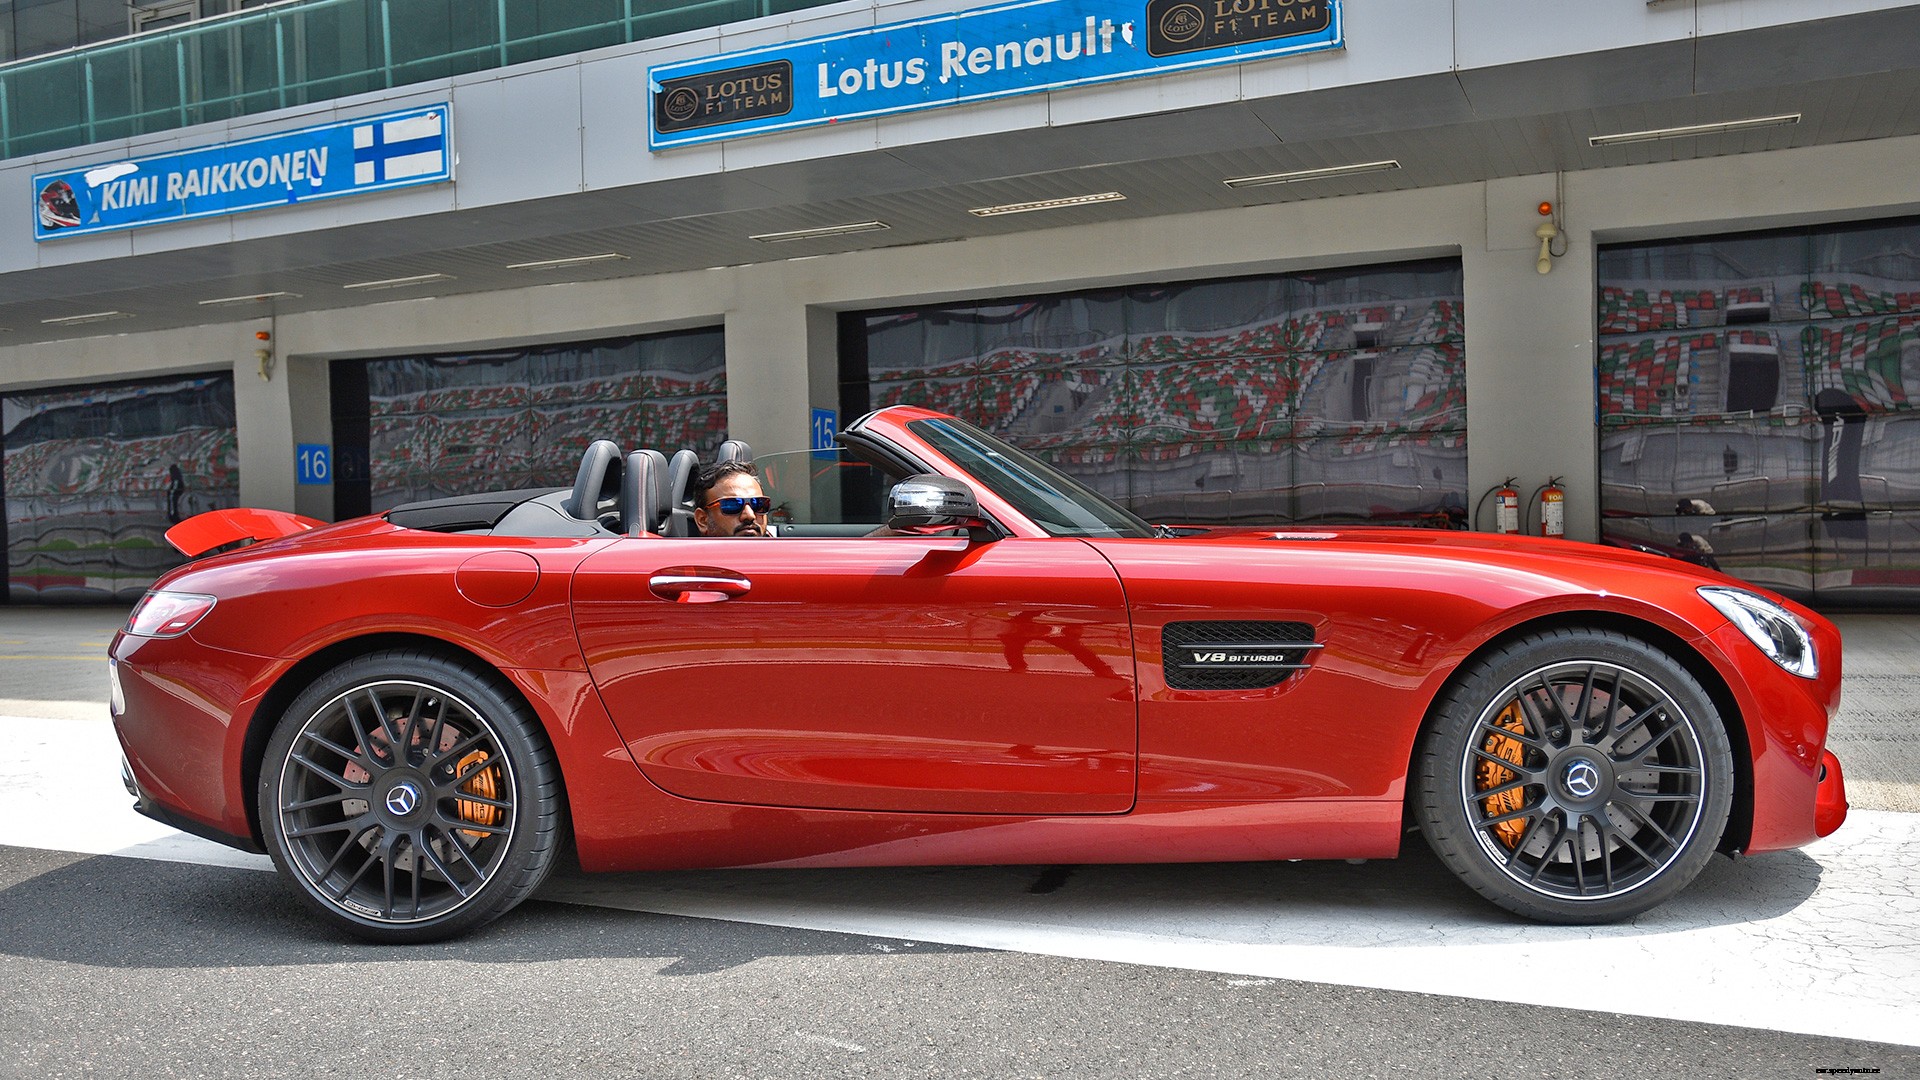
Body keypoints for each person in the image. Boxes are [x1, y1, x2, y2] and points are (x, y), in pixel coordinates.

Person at [691, 460, 771, 537]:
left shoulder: (782, 548)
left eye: (758, 504)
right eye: (733, 505)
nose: (750, 515)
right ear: (703, 520)